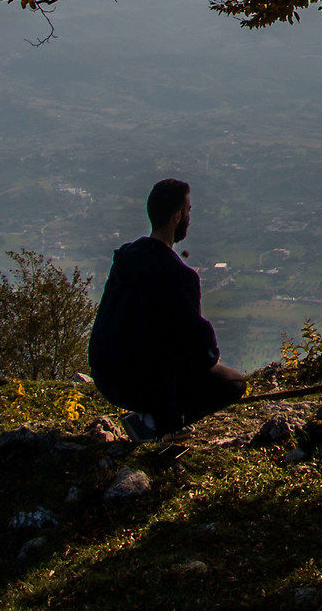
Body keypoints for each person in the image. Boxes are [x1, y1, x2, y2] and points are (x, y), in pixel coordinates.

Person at [87, 178, 247, 438]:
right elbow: (201, 348)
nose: (189, 217)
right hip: (142, 383)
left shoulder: (125, 259)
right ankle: (158, 422)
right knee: (233, 383)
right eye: (188, 211)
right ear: (176, 217)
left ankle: (150, 413)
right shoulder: (179, 276)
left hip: (106, 377)